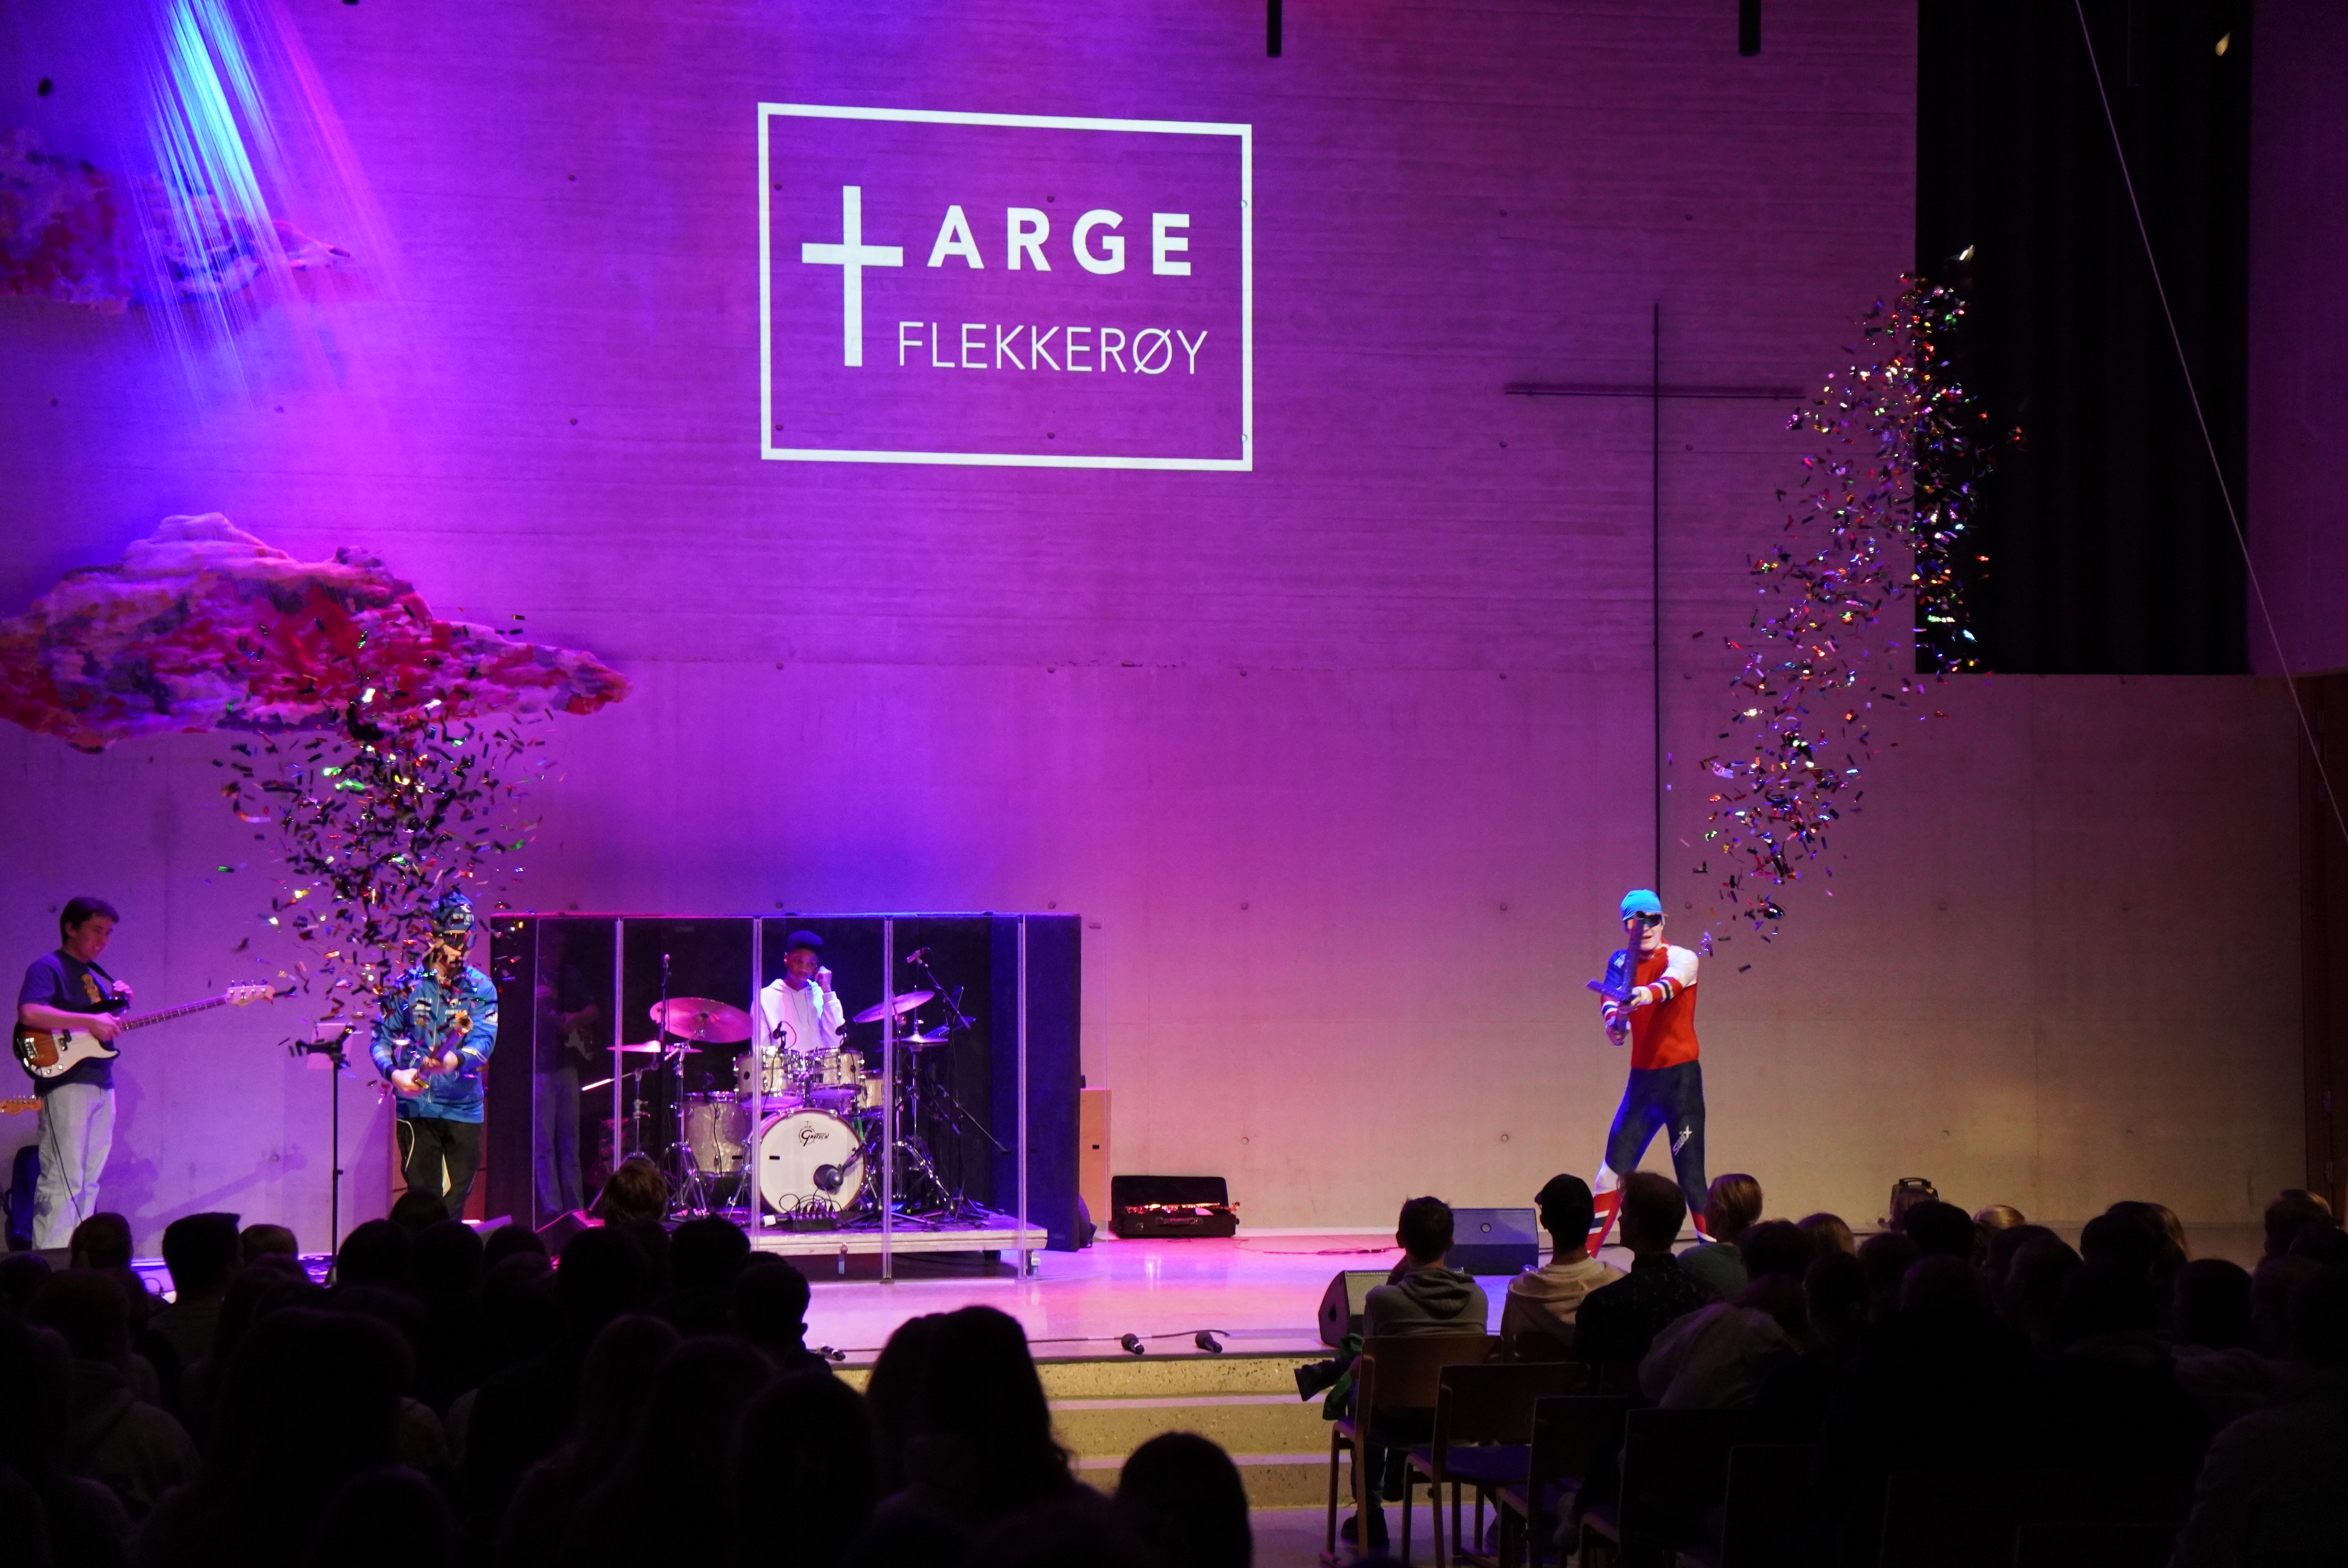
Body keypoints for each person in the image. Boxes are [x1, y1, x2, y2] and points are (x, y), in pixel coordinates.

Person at [1585, 889, 1708, 1246]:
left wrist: (1637, 996)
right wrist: (1614, 1023)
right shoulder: (1620, 962)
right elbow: (1610, 998)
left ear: (1663, 921)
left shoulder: (1682, 957)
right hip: (1642, 1085)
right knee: (1608, 1178)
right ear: (1627, 926)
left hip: (1680, 1083)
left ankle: (1720, 1263)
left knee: (1692, 1182)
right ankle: (1580, 1264)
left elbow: (1669, 986)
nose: (1647, 927)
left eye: (1653, 919)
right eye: (1638, 921)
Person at [371, 889, 498, 1220]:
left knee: (453, 1208)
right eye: (453, 939)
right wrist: (394, 1074)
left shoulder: (481, 988)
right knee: (423, 1206)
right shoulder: (407, 986)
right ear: (434, 938)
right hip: (417, 1111)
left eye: (467, 939)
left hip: (465, 1109)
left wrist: (451, 1062)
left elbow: (484, 1040)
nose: (461, 949)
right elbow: (380, 1040)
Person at [16, 898, 132, 1249]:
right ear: (71, 928)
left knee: (89, 1179)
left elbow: (93, 1029)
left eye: (108, 933)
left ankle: (78, 1257)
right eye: (96, 930)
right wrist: (90, 1021)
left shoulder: (94, 975)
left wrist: (117, 1006)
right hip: (66, 1082)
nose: (103, 940)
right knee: (63, 1176)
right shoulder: (48, 967)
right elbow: (30, 1013)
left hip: (101, 1081)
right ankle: (53, 1260)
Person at [1572, 1171, 1719, 1373]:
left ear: (1637, 1224)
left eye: (1624, 1213)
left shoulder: (1603, 1304)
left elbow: (1584, 1376)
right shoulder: (1708, 1300)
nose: (1619, 1220)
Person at [1500, 1174, 1624, 1356]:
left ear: (1544, 1222)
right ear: (1592, 1219)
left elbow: (1507, 1358)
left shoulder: (1520, 1293)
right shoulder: (1619, 1284)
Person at [531, 924, 601, 1220]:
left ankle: (575, 1208)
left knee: (571, 1140)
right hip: (541, 1065)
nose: (557, 952)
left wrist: (574, 1018)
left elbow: (593, 1010)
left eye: (561, 947)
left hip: (567, 1063)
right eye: (552, 946)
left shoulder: (571, 975)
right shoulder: (533, 977)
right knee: (544, 1143)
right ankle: (552, 1209)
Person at [758, 929, 844, 1066]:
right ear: (787, 959)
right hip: (782, 1078)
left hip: (821, 1076)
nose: (804, 969)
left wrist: (828, 991)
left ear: (817, 967)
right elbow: (761, 1054)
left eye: (811, 964)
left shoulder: (820, 994)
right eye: (798, 961)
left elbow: (836, 1042)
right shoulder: (765, 997)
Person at [1677, 1173, 1763, 1298]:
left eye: (1707, 1203)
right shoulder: (1768, 1260)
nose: (1704, 1210)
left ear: (1718, 1211)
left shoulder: (1692, 1261)